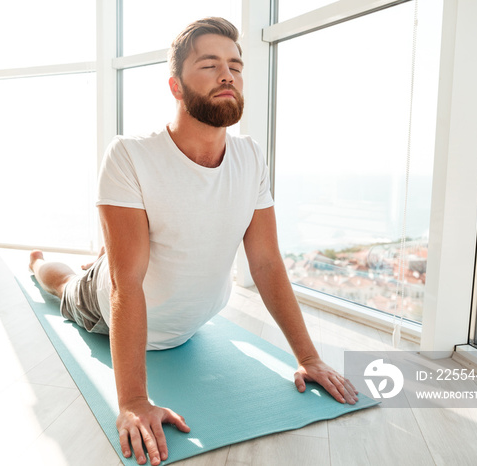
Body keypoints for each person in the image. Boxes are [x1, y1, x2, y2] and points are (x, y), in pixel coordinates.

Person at [29, 17, 358, 466]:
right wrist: (132, 402)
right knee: (67, 282)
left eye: (236, 66)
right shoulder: (130, 154)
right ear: (176, 87)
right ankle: (38, 262)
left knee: (123, 254)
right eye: (210, 65)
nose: (228, 74)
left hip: (190, 319)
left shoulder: (251, 156)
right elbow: (128, 282)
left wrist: (309, 357)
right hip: (110, 303)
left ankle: (109, 248)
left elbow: (265, 261)